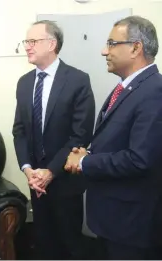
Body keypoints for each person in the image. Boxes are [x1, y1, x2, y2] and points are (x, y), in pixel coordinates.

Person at [65, 15, 162, 260]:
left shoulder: (154, 91)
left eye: (111, 43)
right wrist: (88, 153)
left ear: (135, 47)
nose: (103, 51)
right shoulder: (129, 86)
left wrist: (86, 162)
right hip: (114, 220)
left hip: (132, 226)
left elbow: (139, 159)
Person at [12, 20, 95, 259]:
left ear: (51, 43)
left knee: (70, 246)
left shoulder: (78, 80)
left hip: (65, 181)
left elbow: (80, 135)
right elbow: (20, 130)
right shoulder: (24, 83)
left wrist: (50, 172)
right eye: (25, 42)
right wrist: (28, 170)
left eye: (32, 41)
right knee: (44, 245)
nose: (26, 47)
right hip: (37, 184)